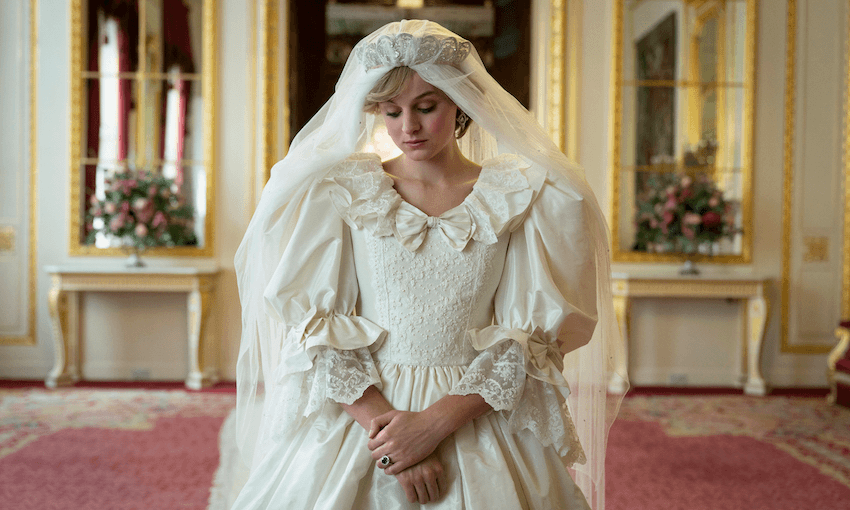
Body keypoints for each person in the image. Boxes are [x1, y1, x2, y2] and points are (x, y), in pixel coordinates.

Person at [233, 20, 626, 509]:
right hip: (365, 412)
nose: (408, 128)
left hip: (474, 410)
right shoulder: (343, 190)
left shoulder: (523, 195)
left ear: (461, 103)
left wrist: (434, 425)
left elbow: (531, 342)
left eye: (426, 107)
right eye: (391, 112)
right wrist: (396, 442)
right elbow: (317, 329)